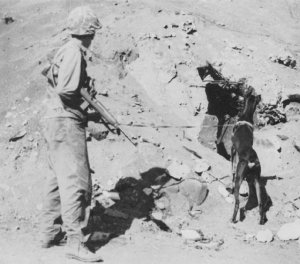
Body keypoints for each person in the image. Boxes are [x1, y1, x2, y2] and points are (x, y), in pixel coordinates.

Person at [40, 6, 103, 262]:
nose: (94, 36)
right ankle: (75, 243)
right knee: (75, 181)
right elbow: (67, 89)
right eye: (93, 31)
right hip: (66, 122)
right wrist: (87, 106)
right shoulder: (75, 51)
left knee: (56, 180)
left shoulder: (64, 50)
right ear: (87, 30)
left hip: (53, 120)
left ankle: (49, 234)